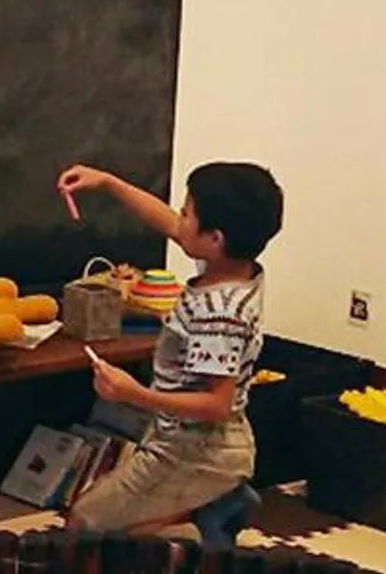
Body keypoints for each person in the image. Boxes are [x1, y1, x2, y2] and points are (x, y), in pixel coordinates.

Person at [54, 160, 285, 536]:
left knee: (84, 525)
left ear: (215, 238)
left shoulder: (219, 314)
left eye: (188, 212)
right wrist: (109, 181)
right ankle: (214, 506)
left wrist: (134, 394)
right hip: (192, 439)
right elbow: (170, 225)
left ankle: (206, 516)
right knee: (106, 516)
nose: (179, 218)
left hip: (197, 451)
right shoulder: (235, 267)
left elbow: (216, 405)